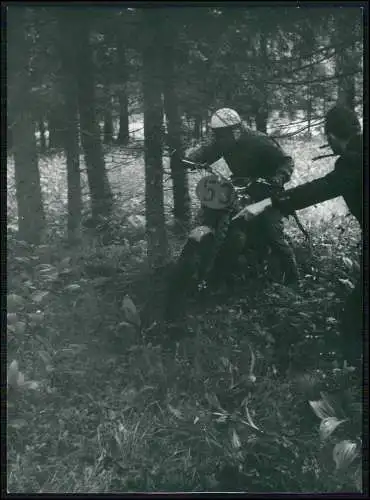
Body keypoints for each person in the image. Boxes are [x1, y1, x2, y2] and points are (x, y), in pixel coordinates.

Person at [234, 104, 363, 368]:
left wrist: (267, 203)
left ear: (330, 137)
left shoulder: (353, 161)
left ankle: (348, 375)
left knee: (354, 317)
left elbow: (320, 189)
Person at [185, 107, 300, 286]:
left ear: (236, 130)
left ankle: (294, 279)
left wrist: (277, 178)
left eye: (222, 135)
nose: (219, 140)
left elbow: (286, 161)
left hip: (266, 190)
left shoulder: (259, 141)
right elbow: (206, 152)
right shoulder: (224, 141)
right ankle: (215, 270)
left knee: (273, 232)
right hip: (239, 186)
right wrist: (190, 160)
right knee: (211, 213)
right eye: (217, 135)